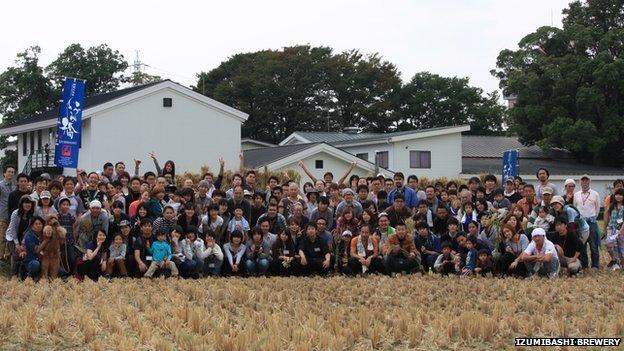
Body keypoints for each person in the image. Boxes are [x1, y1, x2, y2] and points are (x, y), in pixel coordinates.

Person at [573, 175, 601, 269]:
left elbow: (597, 209)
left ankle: (595, 265)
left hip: (591, 222)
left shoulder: (595, 194)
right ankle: (584, 265)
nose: (584, 182)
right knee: (582, 245)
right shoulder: (576, 194)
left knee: (593, 244)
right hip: (581, 223)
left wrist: (592, 217)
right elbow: (575, 208)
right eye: (583, 181)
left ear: (589, 182)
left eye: (586, 181)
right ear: (580, 182)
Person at [5, 195, 36, 275]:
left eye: (29, 203)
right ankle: (13, 274)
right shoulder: (15, 213)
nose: (27, 205)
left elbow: (28, 230)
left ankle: (23, 274)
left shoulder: (31, 215)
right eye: (25, 203)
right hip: (12, 237)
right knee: (16, 254)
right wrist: (17, 244)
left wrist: (22, 243)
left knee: (24, 254)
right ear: (21, 204)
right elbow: (12, 229)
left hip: (23, 237)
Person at [604, 188, 624, 270]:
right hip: (611, 229)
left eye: (620, 195)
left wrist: (621, 231)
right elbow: (606, 217)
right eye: (617, 194)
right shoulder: (611, 206)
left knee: (621, 247)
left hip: (621, 229)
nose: (618, 196)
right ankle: (614, 260)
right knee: (609, 244)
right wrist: (605, 229)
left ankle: (620, 264)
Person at [0, 165, 16, 262]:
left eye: (12, 172)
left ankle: (8, 257)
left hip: (12, 216)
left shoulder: (14, 186)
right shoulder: (0, 185)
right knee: (2, 237)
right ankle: (1, 257)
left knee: (10, 237)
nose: (10, 173)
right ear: (4, 173)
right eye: (9, 171)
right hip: (2, 214)